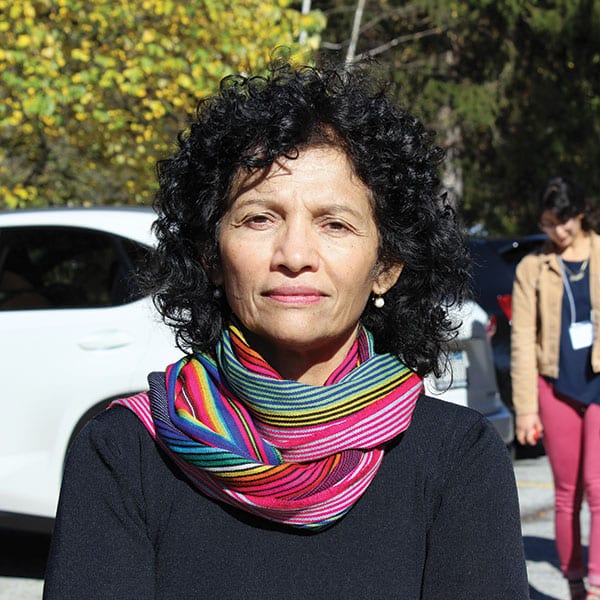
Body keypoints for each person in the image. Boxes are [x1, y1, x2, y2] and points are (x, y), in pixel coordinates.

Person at [44, 62, 528, 599]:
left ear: (386, 265)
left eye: (335, 224)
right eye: (259, 218)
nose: (295, 255)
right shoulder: (127, 452)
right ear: (210, 252)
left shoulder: (457, 459)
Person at [512, 175, 600, 600]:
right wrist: (526, 409)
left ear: (579, 214)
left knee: (599, 488)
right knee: (567, 493)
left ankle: (598, 585)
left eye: (563, 223)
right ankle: (575, 584)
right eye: (548, 224)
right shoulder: (532, 267)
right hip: (555, 387)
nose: (557, 232)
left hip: (598, 384)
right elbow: (522, 340)